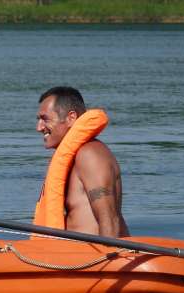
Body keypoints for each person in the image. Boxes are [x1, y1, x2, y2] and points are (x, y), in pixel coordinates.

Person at [34, 86, 129, 237]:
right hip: (69, 256)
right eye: (38, 120)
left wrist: (107, 258)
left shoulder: (90, 154)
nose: (39, 127)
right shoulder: (70, 159)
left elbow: (110, 220)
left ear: (71, 118)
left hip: (94, 257)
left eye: (45, 119)